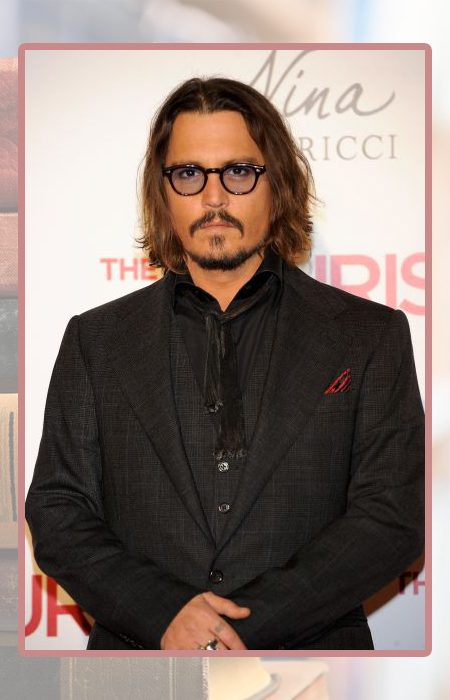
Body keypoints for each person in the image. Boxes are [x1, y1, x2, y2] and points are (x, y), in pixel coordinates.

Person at [26, 77, 424, 651]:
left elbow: (391, 519)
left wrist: (238, 626)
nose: (214, 198)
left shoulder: (368, 335)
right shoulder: (97, 340)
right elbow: (58, 510)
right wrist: (164, 613)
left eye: (238, 172)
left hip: (313, 667)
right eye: (189, 174)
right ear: (163, 192)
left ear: (277, 184)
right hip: (139, 667)